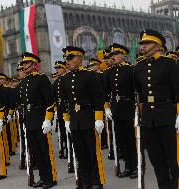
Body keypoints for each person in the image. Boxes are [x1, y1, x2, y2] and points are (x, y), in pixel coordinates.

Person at [134, 29, 179, 189]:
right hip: (148, 120)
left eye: (147, 43)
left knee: (173, 158)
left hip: (167, 117)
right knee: (156, 159)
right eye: (143, 44)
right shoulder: (139, 67)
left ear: (157, 45)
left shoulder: (169, 64)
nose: (143, 47)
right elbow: (139, 93)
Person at [61, 46, 106, 189]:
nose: (67, 62)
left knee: (93, 152)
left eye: (70, 58)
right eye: (66, 59)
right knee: (80, 153)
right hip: (75, 119)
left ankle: (97, 181)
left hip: (88, 116)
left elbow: (99, 97)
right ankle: (85, 181)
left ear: (79, 59)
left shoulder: (90, 75)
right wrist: (67, 119)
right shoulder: (66, 78)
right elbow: (64, 100)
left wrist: (99, 117)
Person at [17, 52, 57, 189]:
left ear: (34, 65)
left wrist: (48, 120)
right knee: (36, 152)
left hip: (40, 118)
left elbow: (50, 101)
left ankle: (50, 178)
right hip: (30, 120)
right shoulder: (24, 82)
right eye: (23, 64)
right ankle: (42, 177)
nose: (23, 66)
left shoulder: (42, 79)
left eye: (26, 64)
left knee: (45, 151)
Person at [104, 43, 138, 179]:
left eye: (115, 55)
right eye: (111, 55)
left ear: (123, 55)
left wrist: (137, 107)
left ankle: (135, 166)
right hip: (116, 108)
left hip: (128, 106)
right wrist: (107, 107)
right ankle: (128, 167)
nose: (113, 57)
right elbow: (106, 92)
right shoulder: (109, 72)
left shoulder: (130, 70)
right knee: (121, 139)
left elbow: (136, 90)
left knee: (131, 139)